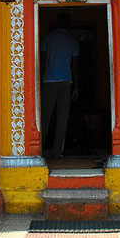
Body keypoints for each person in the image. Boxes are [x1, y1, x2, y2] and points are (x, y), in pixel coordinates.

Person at [39, 12, 79, 158]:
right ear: (69, 24)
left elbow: (42, 62)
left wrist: (39, 81)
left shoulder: (48, 39)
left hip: (48, 81)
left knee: (45, 116)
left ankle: (38, 148)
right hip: (66, 82)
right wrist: (76, 87)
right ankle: (57, 152)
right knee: (63, 118)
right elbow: (75, 65)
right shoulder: (72, 40)